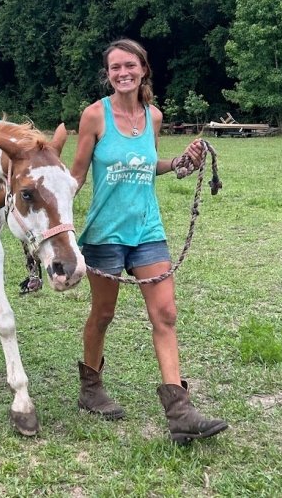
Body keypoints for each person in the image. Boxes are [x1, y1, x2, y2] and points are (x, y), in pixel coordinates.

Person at [70, 38, 228, 444]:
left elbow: (147, 163)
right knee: (103, 314)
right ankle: (91, 389)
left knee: (166, 313)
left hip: (147, 230)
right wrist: (53, 223)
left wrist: (178, 163)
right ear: (108, 74)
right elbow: (76, 176)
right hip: (105, 235)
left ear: (143, 69)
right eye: (114, 68)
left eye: (129, 66)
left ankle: (180, 412)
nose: (122, 73)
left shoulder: (153, 116)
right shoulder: (94, 116)